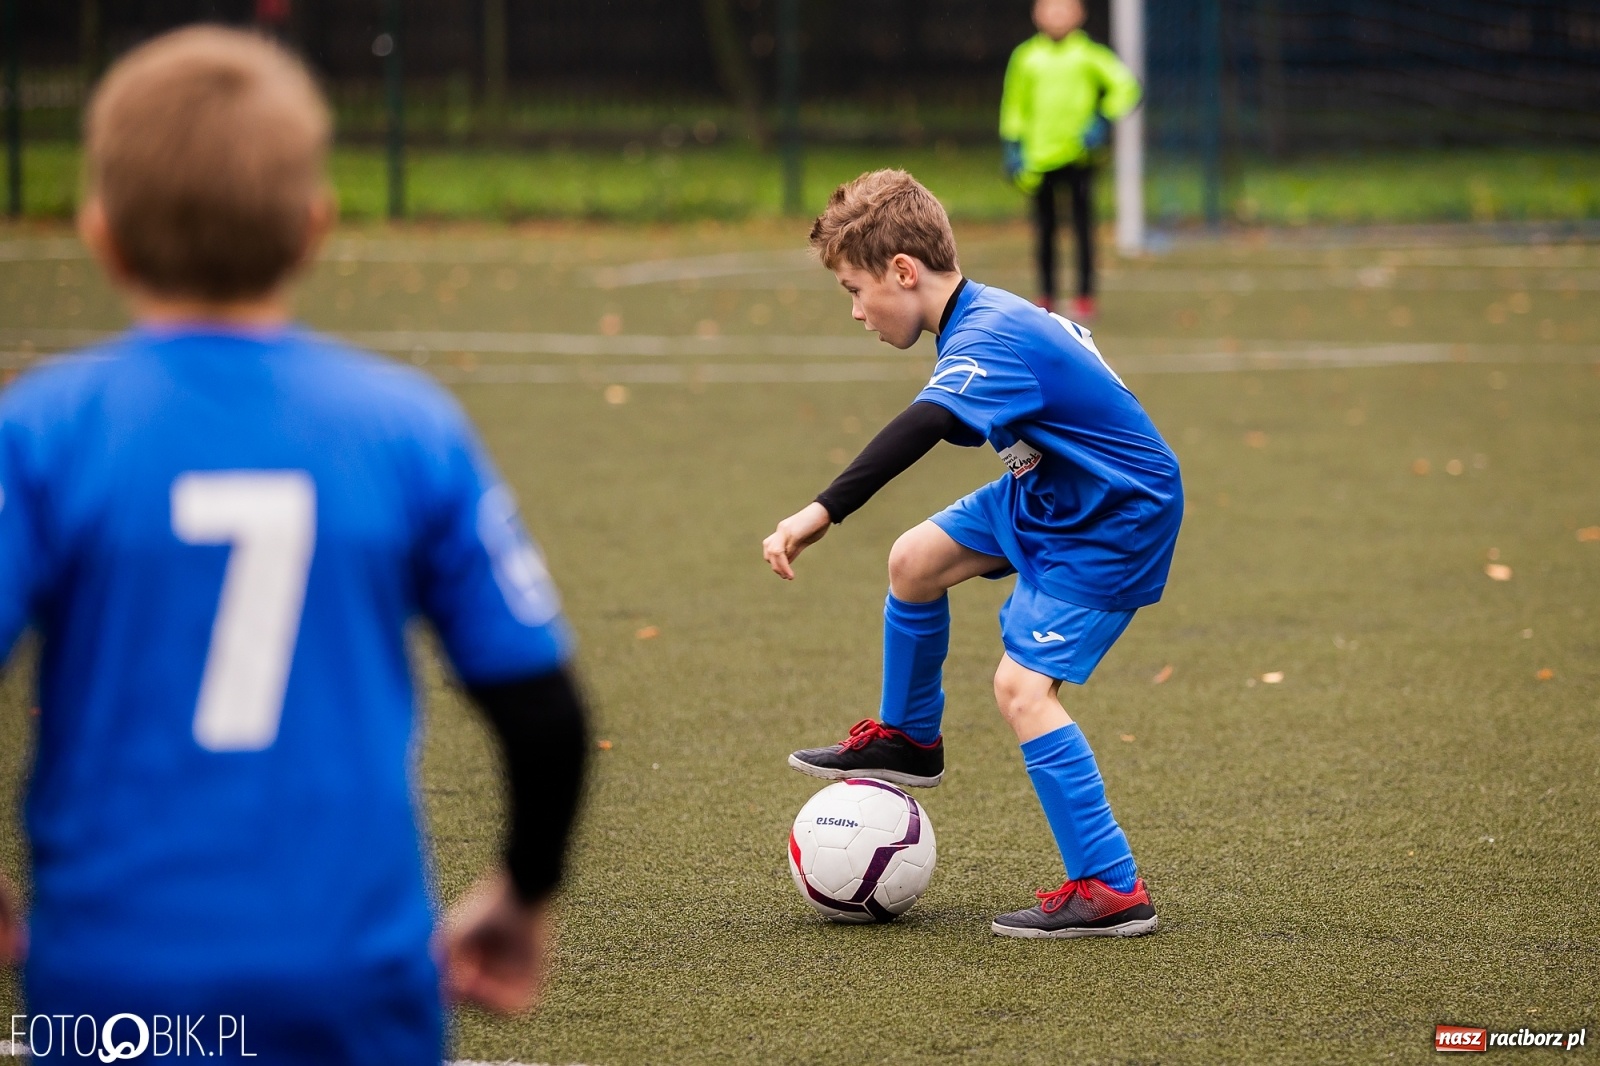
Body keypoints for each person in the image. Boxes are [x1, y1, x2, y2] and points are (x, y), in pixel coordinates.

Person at [0, 27, 588, 1062]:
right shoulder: (407, 427)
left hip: (110, 980)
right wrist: (521, 890)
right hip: (354, 979)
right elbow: (543, 717)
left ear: (102, 235)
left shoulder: (44, 431)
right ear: (314, 227)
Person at [762, 170, 1181, 939]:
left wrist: (822, 510)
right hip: (1052, 490)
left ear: (903, 271)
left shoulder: (989, 333)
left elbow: (924, 425)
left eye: (856, 290)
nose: (856, 312)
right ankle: (911, 738)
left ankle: (1111, 886)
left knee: (1022, 690)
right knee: (915, 560)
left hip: (1115, 514)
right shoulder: (979, 320)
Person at [1001, 0, 1142, 320]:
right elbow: (1014, 105)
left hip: (1079, 158)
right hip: (1039, 160)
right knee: (1045, 229)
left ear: (1080, 14)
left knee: (1082, 227)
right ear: (1036, 13)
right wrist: (1012, 145)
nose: (1057, 14)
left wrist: (1103, 119)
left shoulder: (1089, 54)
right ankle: (1046, 295)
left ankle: (1084, 295)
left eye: (1065, 8)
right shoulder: (1025, 57)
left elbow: (1127, 88)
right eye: (1050, 8)